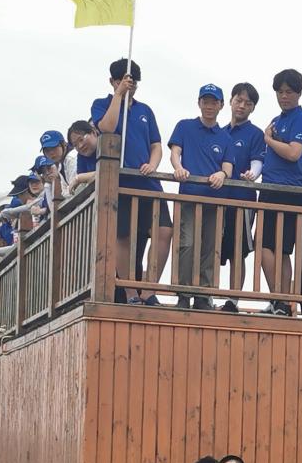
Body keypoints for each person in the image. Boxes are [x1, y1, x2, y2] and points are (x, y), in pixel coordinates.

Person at [91, 58, 168, 304]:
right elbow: (107, 127)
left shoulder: (145, 110)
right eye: (123, 81)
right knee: (122, 236)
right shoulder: (101, 104)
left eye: (133, 82)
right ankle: (130, 292)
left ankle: (149, 289)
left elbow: (156, 145)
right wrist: (118, 96)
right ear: (112, 81)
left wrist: (153, 164)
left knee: (164, 231)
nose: (129, 85)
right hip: (120, 184)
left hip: (148, 184)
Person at [167, 83, 232, 305]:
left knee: (211, 247)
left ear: (221, 105)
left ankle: (204, 294)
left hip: (215, 201)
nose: (209, 106)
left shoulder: (225, 137)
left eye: (214, 102)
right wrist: (178, 168)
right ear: (199, 103)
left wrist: (222, 174)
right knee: (187, 243)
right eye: (205, 101)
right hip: (189, 197)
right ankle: (184, 293)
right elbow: (175, 152)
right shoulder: (184, 126)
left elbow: (228, 167)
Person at [257, 68, 302, 312]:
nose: (284, 96)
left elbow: (294, 153)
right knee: (267, 247)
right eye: (280, 92)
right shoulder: (277, 120)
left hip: (290, 189)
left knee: (279, 249)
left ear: (299, 93)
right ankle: (279, 300)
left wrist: (268, 140)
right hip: (269, 186)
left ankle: (280, 300)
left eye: (289, 92)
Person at [216, 82, 268, 306]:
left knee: (238, 250)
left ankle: (233, 300)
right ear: (230, 101)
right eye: (238, 100)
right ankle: (206, 296)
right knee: (212, 247)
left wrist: (252, 174)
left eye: (248, 103)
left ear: (253, 108)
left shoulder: (255, 134)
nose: (242, 106)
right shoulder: (219, 132)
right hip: (216, 198)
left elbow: (258, 162)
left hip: (242, 200)